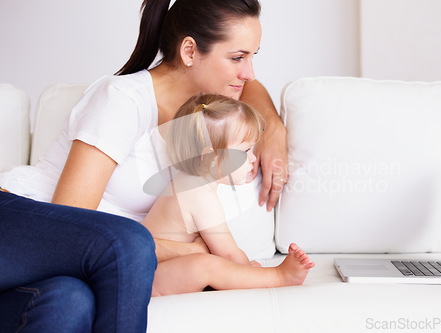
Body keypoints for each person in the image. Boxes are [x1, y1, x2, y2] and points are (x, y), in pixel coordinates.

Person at [0, 0, 288, 332]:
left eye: (253, 56)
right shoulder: (123, 102)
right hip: (18, 220)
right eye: (238, 57)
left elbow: (251, 87)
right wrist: (189, 252)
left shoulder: (207, 116)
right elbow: (73, 224)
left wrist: (273, 124)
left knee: (70, 303)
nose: (249, 72)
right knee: (132, 243)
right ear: (190, 51)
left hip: (54, 271)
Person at [142, 94, 314, 296]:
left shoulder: (189, 182)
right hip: (146, 279)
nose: (253, 159)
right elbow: (227, 253)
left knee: (207, 262)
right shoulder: (198, 194)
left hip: (156, 272)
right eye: (245, 151)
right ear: (211, 158)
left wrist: (242, 268)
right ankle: (279, 276)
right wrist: (246, 271)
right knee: (205, 265)